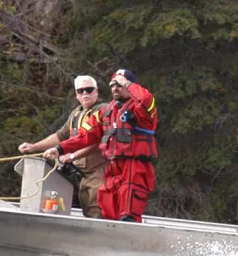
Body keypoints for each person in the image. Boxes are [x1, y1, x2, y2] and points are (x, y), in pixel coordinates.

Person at [44, 69, 157, 222]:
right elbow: (84, 136)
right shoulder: (106, 112)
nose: (115, 88)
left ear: (130, 86)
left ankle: (128, 235)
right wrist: (59, 149)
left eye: (120, 84)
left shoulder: (142, 110)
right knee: (106, 203)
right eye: (113, 85)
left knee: (129, 205)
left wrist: (128, 84)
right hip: (112, 167)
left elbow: (145, 99)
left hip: (134, 166)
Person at [19, 75, 108, 218]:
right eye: (81, 91)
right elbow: (60, 136)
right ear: (77, 95)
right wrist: (34, 147)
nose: (85, 93)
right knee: (86, 208)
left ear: (96, 92)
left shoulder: (104, 111)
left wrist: (71, 156)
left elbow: (99, 143)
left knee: (97, 209)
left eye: (89, 90)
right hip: (83, 174)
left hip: (100, 171)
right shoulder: (76, 113)